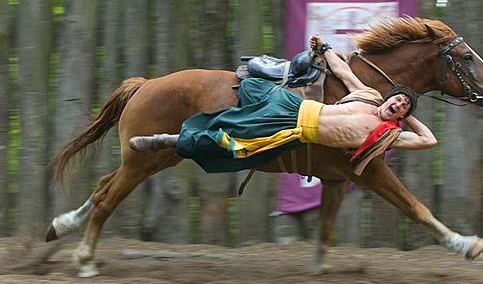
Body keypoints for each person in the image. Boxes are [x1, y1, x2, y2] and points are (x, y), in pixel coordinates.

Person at [129, 35, 436, 175]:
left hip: (292, 131)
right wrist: (325, 49)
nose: (398, 103)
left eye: (404, 106)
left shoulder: (387, 134)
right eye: (397, 98)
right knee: (246, 88)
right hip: (291, 104)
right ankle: (194, 123)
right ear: (389, 96)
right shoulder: (369, 94)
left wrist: (409, 119)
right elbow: (343, 71)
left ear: (403, 115)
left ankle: (167, 140)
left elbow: (428, 140)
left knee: (236, 141)